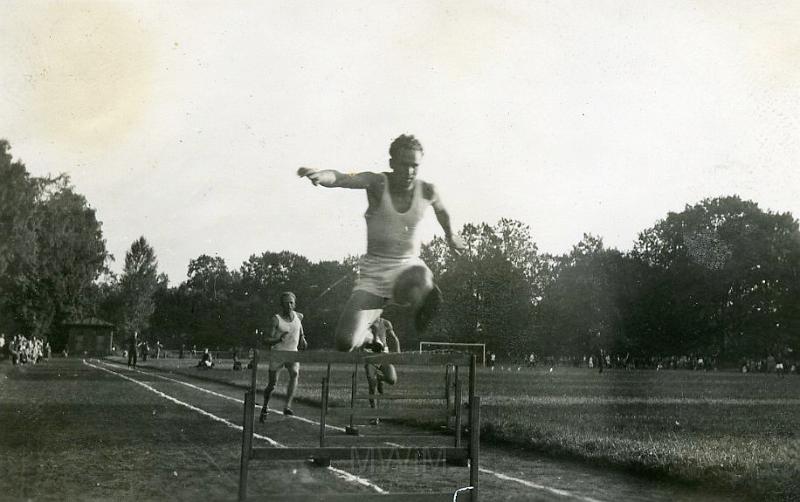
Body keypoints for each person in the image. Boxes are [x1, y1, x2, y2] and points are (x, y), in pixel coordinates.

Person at [299, 134, 465, 353]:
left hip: (407, 268)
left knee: (421, 277)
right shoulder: (377, 183)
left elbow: (442, 210)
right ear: (392, 163)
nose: (409, 172)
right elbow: (342, 178)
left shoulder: (427, 190)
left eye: (414, 166)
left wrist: (450, 235)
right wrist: (321, 176)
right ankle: (371, 337)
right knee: (344, 343)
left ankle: (425, 300)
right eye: (403, 165)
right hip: (374, 274)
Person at [259, 291, 308, 422]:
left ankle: (287, 406)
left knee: (295, 374)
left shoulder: (299, 316)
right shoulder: (276, 319)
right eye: (286, 303)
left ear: (295, 304)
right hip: (278, 353)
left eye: (291, 303)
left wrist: (303, 337)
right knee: (272, 384)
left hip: (292, 352)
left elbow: (299, 326)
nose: (289, 306)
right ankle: (265, 406)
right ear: (281, 305)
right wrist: (278, 339)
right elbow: (266, 339)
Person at [363, 317, 399, 424]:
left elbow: (395, 338)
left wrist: (398, 351)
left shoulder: (386, 323)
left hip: (384, 355)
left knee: (392, 380)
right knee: (372, 385)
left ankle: (380, 378)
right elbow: (360, 342)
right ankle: (375, 416)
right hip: (370, 355)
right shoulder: (365, 323)